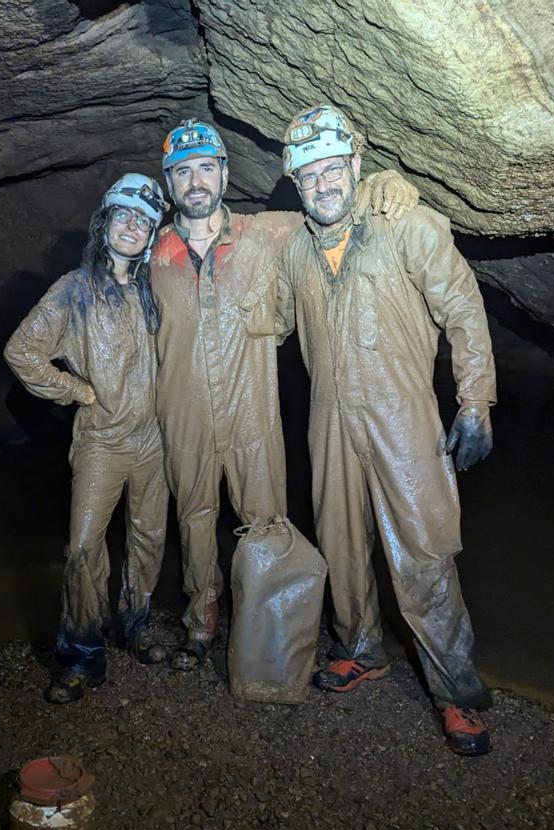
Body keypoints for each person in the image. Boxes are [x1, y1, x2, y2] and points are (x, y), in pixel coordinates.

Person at [149, 118, 417, 671]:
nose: (195, 181)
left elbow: (331, 203)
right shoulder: (150, 253)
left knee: (265, 520)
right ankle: (201, 621)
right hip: (184, 413)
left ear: (224, 173)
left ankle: (264, 626)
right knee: (194, 519)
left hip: (253, 412)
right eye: (182, 172)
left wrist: (384, 183)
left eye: (206, 167)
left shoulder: (267, 232)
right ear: (169, 183)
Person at [274, 104, 496, 755]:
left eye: (333, 168)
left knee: (423, 555)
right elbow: (272, 323)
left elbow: (462, 305)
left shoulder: (408, 224)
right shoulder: (295, 251)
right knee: (340, 546)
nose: (323, 183)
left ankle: (455, 691)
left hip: (402, 417)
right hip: (329, 423)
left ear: (356, 164)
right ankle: (361, 648)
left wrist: (475, 399)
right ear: (296, 182)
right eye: (308, 175)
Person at [4, 174, 172, 704]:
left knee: (147, 539)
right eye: (123, 215)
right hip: (102, 440)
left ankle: (133, 625)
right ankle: (81, 652)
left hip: (155, 440)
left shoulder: (155, 288)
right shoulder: (74, 288)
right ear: (105, 224)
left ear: (151, 234)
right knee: (82, 548)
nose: (132, 226)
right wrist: (77, 389)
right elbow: (22, 351)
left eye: (143, 220)